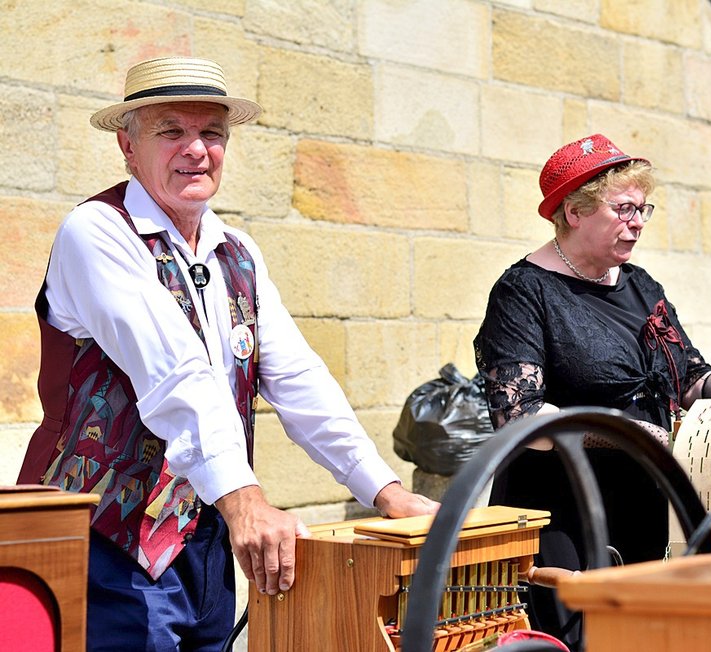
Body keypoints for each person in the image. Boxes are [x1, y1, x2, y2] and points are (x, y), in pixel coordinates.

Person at [16, 56, 438, 651]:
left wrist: (384, 490)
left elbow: (297, 378)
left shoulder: (237, 250)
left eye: (211, 132)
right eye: (172, 131)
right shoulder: (96, 231)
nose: (196, 149)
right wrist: (248, 504)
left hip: (203, 536)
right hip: (102, 538)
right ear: (128, 146)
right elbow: (173, 376)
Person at [473, 134, 711, 650]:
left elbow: (690, 378)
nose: (639, 221)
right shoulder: (523, 291)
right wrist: (625, 432)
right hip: (564, 512)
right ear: (574, 211)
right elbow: (520, 419)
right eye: (624, 208)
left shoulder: (641, 285)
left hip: (646, 503)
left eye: (644, 208)